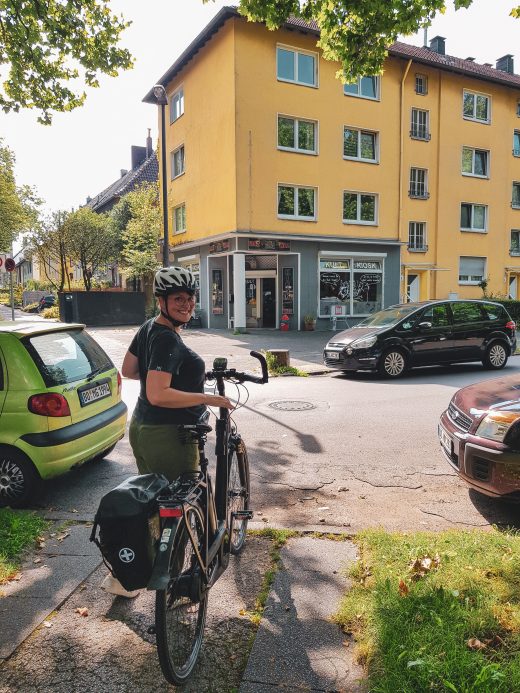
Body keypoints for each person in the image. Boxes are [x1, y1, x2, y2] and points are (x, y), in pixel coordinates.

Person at [102, 266, 233, 598]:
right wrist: (207, 397)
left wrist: (174, 377)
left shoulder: (150, 328)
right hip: (170, 435)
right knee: (182, 510)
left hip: (143, 430)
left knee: (157, 507)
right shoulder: (166, 338)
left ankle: (127, 578)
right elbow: (159, 393)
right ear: (161, 300)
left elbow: (130, 370)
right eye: (178, 299)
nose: (186, 304)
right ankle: (173, 583)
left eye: (190, 298)